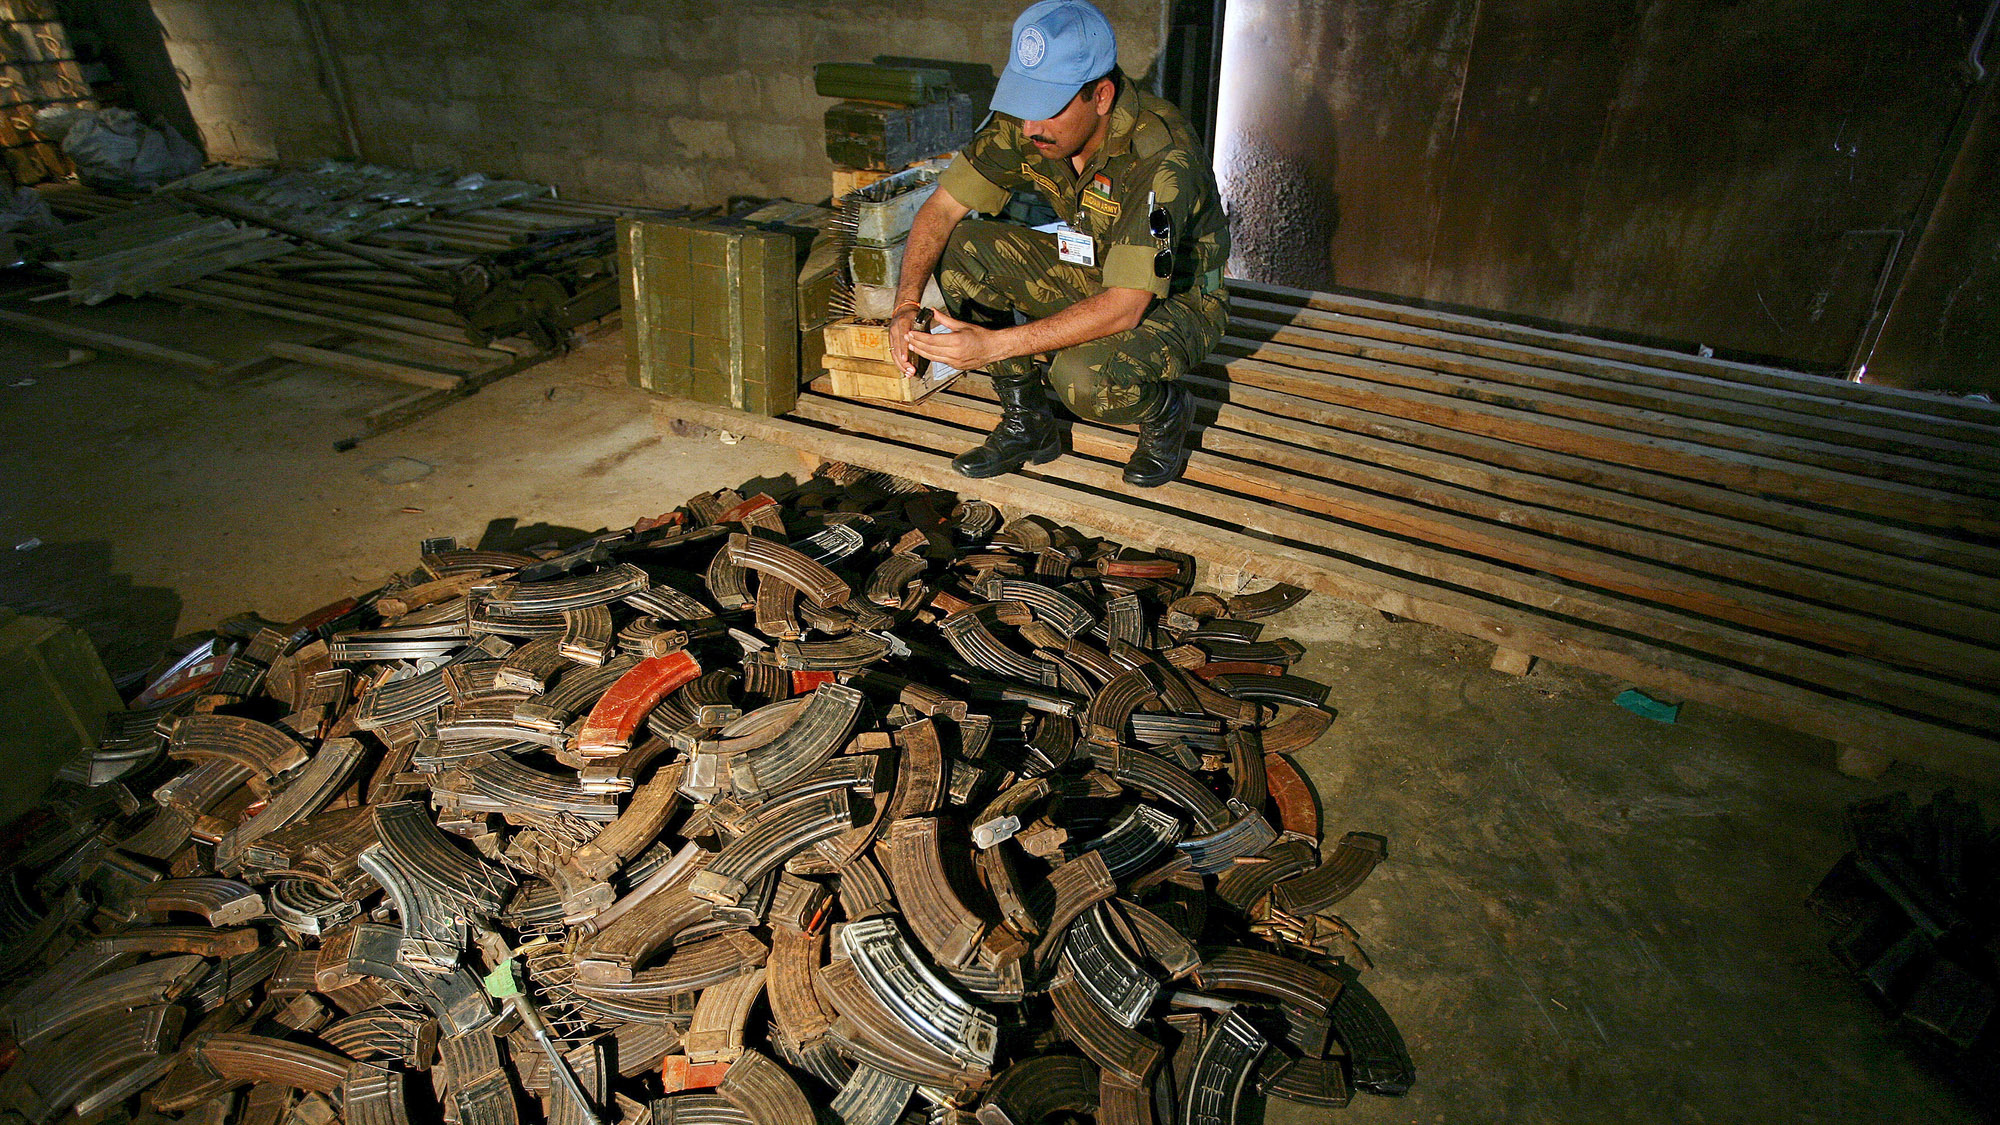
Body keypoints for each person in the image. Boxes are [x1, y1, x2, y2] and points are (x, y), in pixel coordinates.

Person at [890, 0, 1229, 488]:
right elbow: (941, 210)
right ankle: (1029, 424)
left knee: (1081, 377)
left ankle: (1167, 411)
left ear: (1102, 96)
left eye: (1046, 107)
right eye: (1024, 103)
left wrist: (992, 347)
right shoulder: (1034, 125)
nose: (1030, 128)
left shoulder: (1161, 157)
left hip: (1179, 298)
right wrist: (904, 306)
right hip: (1097, 270)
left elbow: (1126, 307)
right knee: (963, 248)